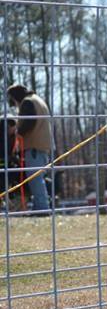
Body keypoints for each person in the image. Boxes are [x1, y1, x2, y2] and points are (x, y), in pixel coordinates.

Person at [7, 84, 52, 214]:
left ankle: (42, 209)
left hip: (33, 147)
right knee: (38, 179)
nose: (14, 104)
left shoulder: (27, 102)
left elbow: (28, 123)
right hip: (42, 146)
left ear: (16, 97)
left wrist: (16, 133)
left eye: (13, 101)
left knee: (35, 180)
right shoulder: (36, 99)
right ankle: (40, 207)